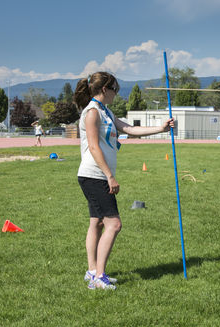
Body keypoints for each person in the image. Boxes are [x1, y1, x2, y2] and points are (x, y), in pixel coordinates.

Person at [73, 72, 174, 290]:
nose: (116, 95)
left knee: (97, 222)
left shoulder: (105, 111)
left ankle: (92, 271)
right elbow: (93, 147)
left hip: (96, 174)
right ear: (104, 90)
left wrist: (161, 128)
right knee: (114, 224)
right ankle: (99, 277)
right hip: (94, 175)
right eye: (115, 90)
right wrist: (109, 176)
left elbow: (129, 129)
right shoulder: (92, 113)